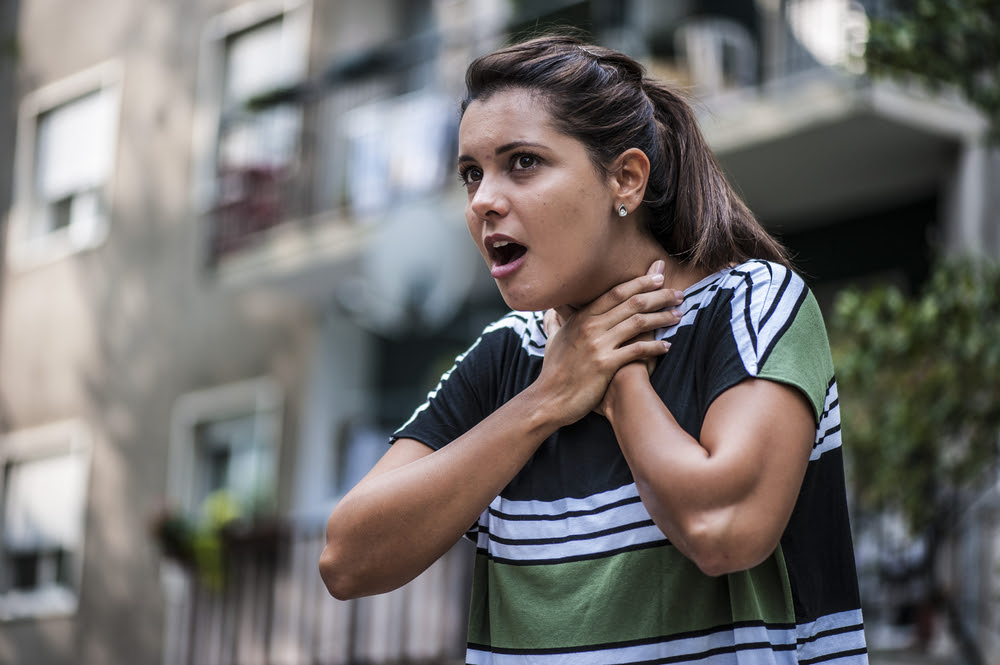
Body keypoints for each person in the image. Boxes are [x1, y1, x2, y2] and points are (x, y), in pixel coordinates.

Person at [320, 35, 868, 665]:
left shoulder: (753, 305)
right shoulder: (508, 356)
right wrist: (548, 398)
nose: (482, 200)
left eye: (522, 162)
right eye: (472, 172)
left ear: (626, 180)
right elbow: (346, 560)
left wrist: (615, 376)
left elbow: (724, 531)